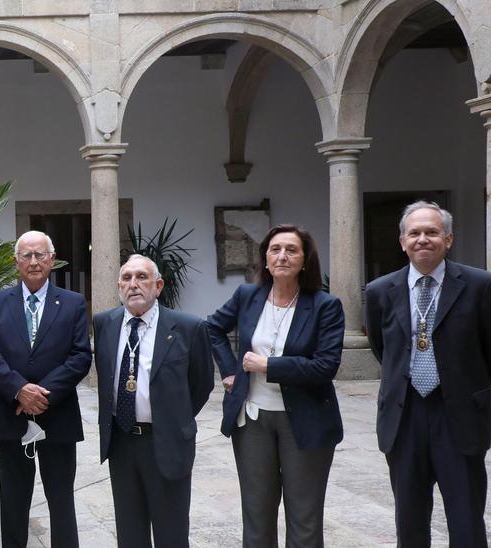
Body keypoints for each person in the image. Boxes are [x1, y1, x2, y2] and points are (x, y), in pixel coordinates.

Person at [205, 225, 344, 547]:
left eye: (291, 250)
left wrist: (268, 365)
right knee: (256, 518)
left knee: (304, 520)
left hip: (306, 421)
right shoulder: (247, 296)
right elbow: (212, 328)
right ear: (265, 259)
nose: (282, 256)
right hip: (253, 420)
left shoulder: (325, 305)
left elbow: (326, 366)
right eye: (275, 249)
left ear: (305, 260)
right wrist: (230, 371)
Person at [364, 201, 491, 547]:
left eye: (432, 232)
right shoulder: (379, 292)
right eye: (415, 233)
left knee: (466, 521)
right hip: (405, 416)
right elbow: (383, 347)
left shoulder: (480, 285)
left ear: (448, 239)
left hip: (460, 416)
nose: (423, 239)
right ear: (402, 241)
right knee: (410, 520)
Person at [0, 230, 91, 548]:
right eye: (26, 255)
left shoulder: (72, 303)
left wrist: (41, 394)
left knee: (61, 499)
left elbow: (81, 355)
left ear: (52, 260)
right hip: (9, 415)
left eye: (40, 254)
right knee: (13, 500)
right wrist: (19, 390)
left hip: (58, 415)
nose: (33, 261)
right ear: (16, 262)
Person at [92, 254, 212, 548]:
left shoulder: (188, 327)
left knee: (171, 534)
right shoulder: (104, 323)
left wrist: (171, 416)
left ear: (158, 286)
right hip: (121, 444)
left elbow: (202, 384)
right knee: (129, 534)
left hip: (166, 441)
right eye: (127, 278)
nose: (134, 284)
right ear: (119, 286)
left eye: (142, 277)